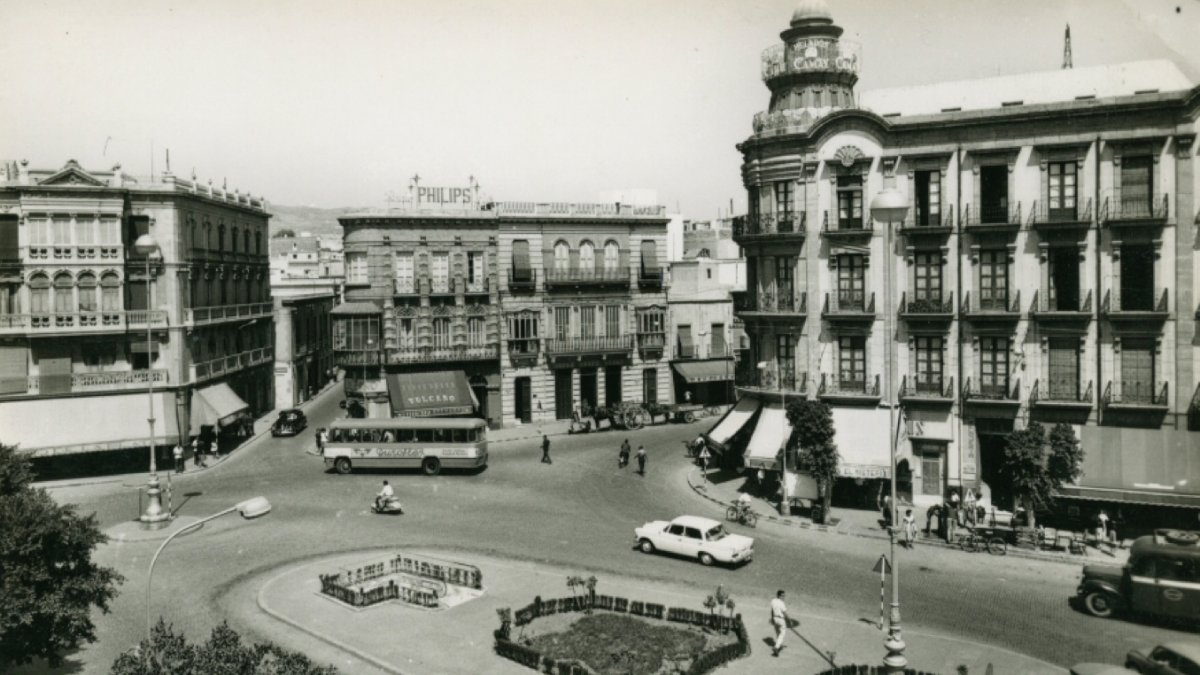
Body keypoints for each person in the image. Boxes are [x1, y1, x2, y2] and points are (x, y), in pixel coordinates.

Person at [769, 590, 789, 657]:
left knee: (777, 633)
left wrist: (772, 618)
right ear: (779, 595)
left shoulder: (773, 601)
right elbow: (784, 613)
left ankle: (779, 644)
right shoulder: (781, 603)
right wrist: (789, 620)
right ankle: (776, 647)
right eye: (782, 595)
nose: (784, 597)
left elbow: (772, 610)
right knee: (782, 633)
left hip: (775, 618)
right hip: (781, 619)